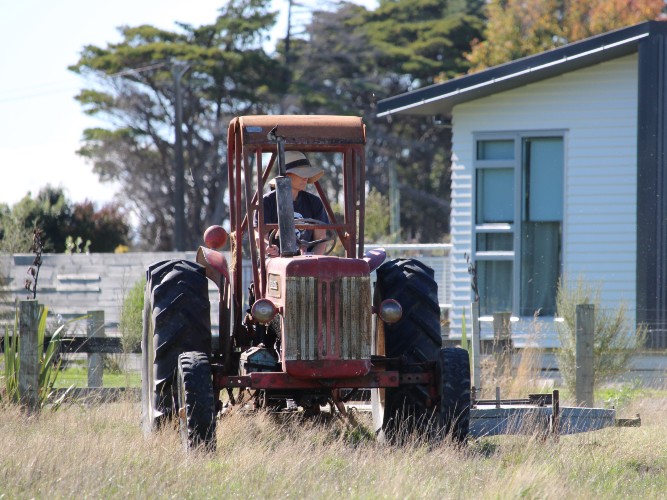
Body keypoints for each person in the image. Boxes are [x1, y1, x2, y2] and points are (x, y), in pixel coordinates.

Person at [254, 151, 329, 256]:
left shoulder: (314, 202)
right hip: (273, 263)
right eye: (301, 173)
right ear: (286, 175)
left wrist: (310, 258)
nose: (305, 177)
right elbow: (259, 236)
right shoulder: (266, 201)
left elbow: (321, 239)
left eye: (307, 173)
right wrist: (269, 248)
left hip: (306, 265)